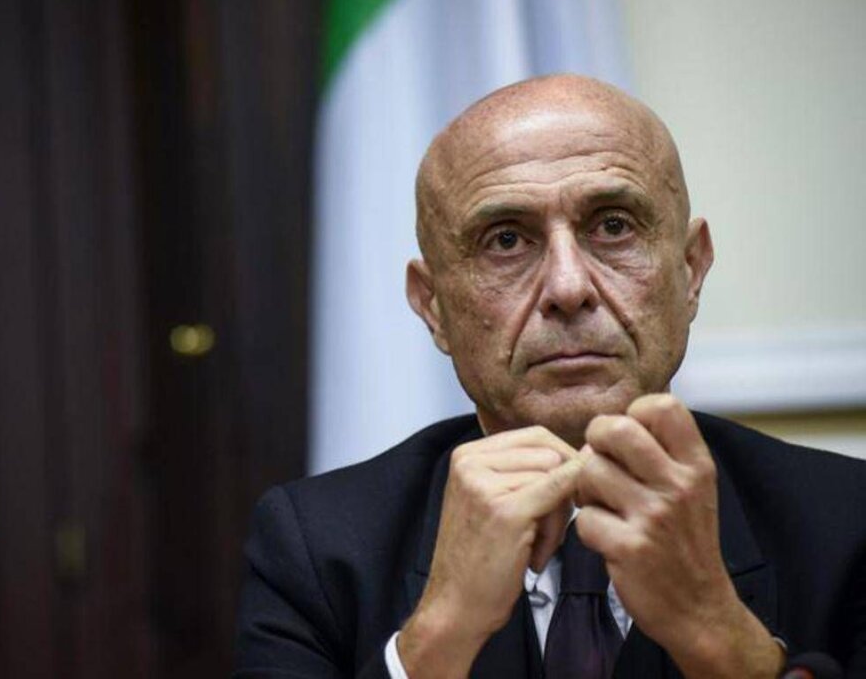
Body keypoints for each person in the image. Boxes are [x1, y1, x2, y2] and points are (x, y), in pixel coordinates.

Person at [233, 74, 866, 678]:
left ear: (691, 270)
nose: (568, 288)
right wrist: (439, 635)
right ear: (433, 306)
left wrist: (719, 636)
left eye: (613, 226)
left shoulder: (848, 524)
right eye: (506, 241)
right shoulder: (315, 548)